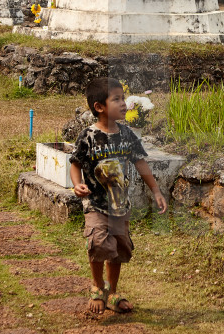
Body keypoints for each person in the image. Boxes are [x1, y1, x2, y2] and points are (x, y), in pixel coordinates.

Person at [70, 77, 167, 315]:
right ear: (99, 107)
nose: (124, 104)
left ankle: (112, 291)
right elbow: (75, 163)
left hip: (120, 206)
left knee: (117, 249)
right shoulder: (88, 136)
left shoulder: (127, 135)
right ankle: (97, 286)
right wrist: (77, 184)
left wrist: (155, 190)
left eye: (123, 98)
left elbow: (140, 162)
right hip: (95, 204)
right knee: (98, 244)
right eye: (117, 99)